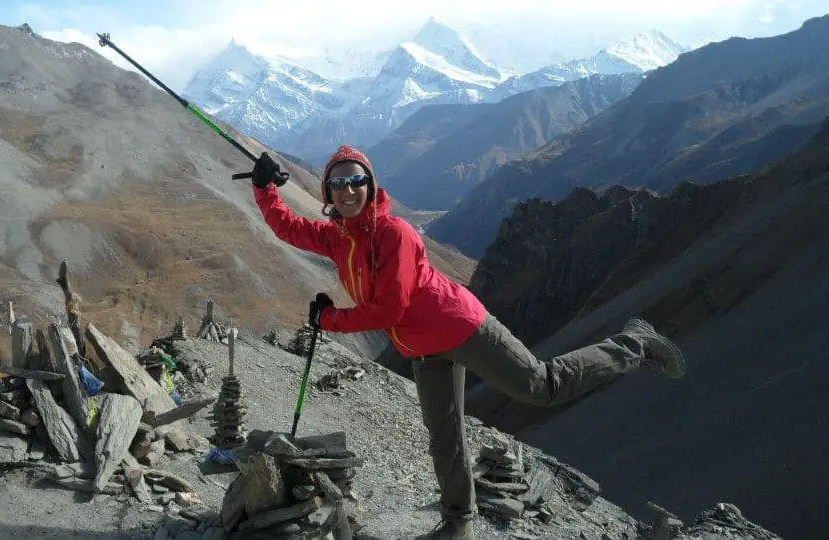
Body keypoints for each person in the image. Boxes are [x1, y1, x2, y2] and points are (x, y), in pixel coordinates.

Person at [248, 145, 686, 540]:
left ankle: (635, 343)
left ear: (370, 184)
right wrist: (265, 187)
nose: (348, 189)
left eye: (356, 180)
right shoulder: (337, 237)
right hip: (422, 350)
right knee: (445, 437)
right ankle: (458, 523)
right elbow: (288, 227)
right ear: (328, 190)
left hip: (462, 326)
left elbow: (390, 309)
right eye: (339, 182)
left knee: (542, 385)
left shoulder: (395, 234)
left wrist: (330, 320)